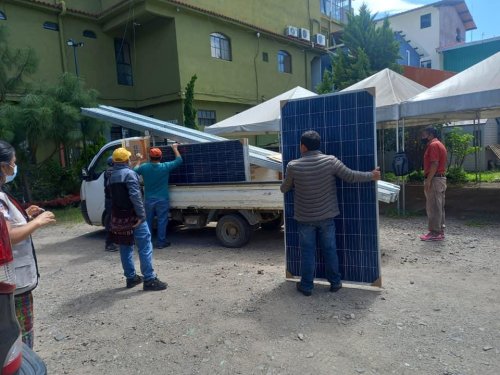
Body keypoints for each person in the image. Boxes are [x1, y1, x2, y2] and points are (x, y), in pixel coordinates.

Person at [280, 131, 380, 296]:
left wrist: (288, 182)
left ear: (303, 146)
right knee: (330, 249)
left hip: (304, 218)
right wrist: (372, 175)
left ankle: (306, 286)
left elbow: (284, 188)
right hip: (327, 216)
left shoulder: (293, 165)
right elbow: (351, 176)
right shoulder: (331, 161)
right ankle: (335, 283)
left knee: (307, 252)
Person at [0, 140, 56, 348]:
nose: (14, 167)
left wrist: (24, 215)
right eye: (13, 163)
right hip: (13, 280)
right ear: (3, 166)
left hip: (11, 278)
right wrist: (37, 223)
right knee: (21, 333)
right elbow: (7, 236)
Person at [108, 147, 167, 291]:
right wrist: (141, 216)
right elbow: (135, 196)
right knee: (145, 246)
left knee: (125, 246)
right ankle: (149, 279)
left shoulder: (110, 175)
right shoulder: (130, 174)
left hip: (119, 218)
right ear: (126, 160)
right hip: (134, 217)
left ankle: (131, 278)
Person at [134, 145, 182, 249]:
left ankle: (148, 242)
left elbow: (135, 170)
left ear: (150, 157)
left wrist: (138, 159)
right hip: (162, 199)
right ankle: (161, 242)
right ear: (161, 157)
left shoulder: (144, 167)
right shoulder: (165, 166)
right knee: (162, 220)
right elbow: (179, 160)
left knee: (148, 221)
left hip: (149, 199)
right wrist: (175, 148)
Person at [420, 126, 447, 242]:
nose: (422, 136)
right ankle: (439, 230)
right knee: (439, 206)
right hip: (439, 179)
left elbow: (434, 164)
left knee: (433, 206)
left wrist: (428, 180)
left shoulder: (433, 145)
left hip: (435, 179)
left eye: (424, 134)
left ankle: (435, 232)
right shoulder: (439, 144)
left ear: (430, 134)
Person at [104, 156, 118, 251]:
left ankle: (112, 241)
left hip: (109, 200)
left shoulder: (107, 171)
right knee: (111, 222)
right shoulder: (111, 172)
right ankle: (109, 244)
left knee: (112, 220)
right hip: (112, 200)